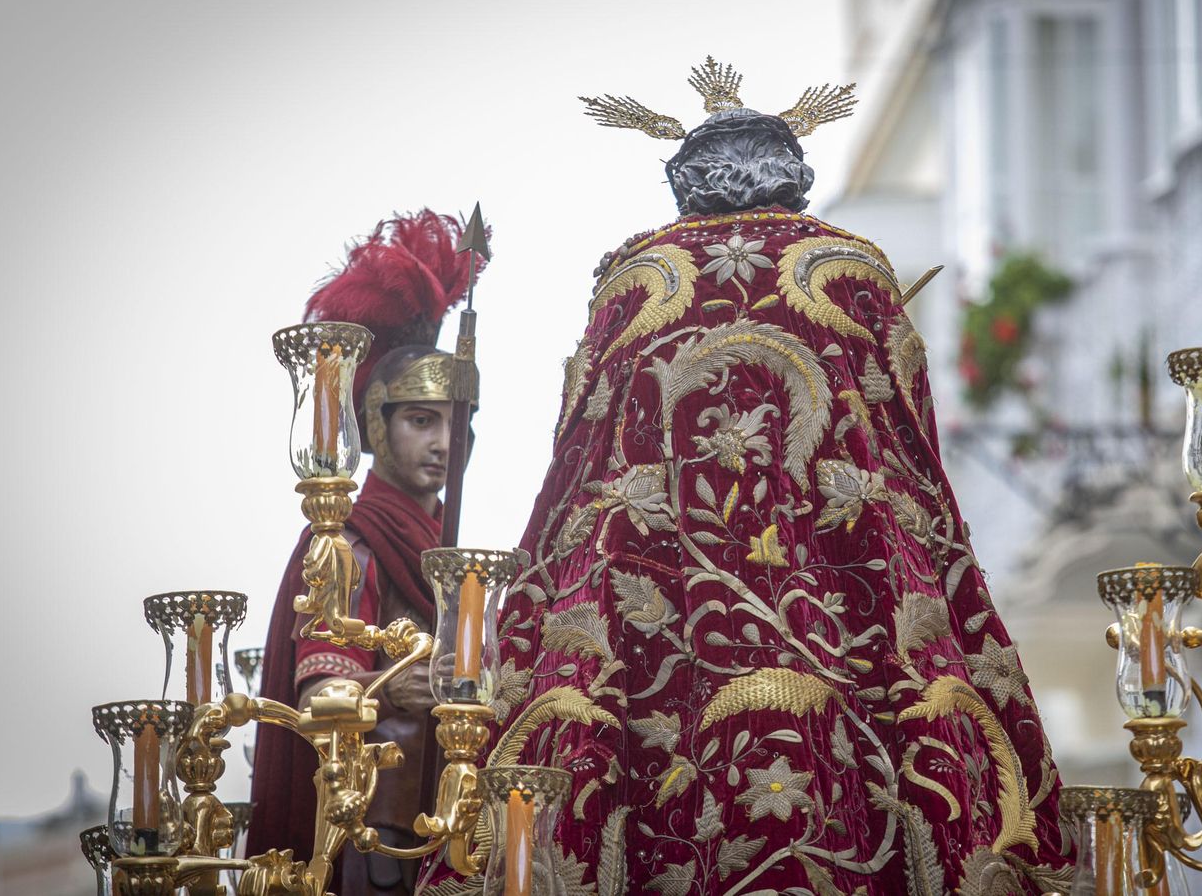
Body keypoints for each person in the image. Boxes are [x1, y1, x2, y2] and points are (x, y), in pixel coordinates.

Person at [419, 59, 1073, 896]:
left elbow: (579, 473)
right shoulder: (853, 274)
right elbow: (916, 464)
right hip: (855, 618)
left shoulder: (635, 284)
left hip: (650, 634)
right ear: (791, 176)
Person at [249, 210, 486, 896]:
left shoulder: (457, 555)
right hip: (375, 842)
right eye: (421, 420)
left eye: (458, 422)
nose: (445, 443)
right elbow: (323, 693)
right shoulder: (351, 544)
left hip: (460, 831)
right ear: (377, 429)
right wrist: (386, 687)